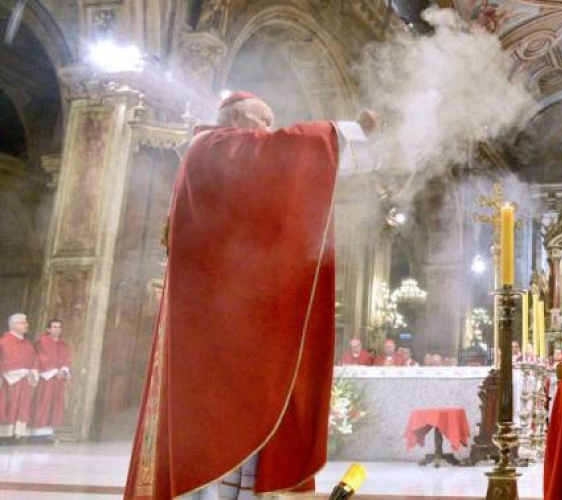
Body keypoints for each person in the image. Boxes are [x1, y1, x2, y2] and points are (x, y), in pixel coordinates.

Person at [125, 92, 377, 499]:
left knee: (242, 408)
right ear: (237, 117)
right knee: (218, 418)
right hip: (214, 319)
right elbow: (277, 155)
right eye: (264, 119)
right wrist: (344, 133)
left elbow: (271, 184)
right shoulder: (213, 146)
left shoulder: (216, 153)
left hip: (225, 309)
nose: (269, 130)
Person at [30, 319, 72, 440]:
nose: (57, 329)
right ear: (48, 329)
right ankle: (37, 434)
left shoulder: (64, 345)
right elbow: (41, 358)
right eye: (54, 327)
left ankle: (48, 432)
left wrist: (64, 370)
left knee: (55, 405)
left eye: (59, 327)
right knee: (43, 402)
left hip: (58, 381)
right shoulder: (41, 342)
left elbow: (67, 359)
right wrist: (54, 371)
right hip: (46, 379)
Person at [0, 313, 38, 440]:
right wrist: (21, 371)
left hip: (25, 381)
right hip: (9, 381)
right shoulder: (4, 342)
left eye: (26, 322)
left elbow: (34, 361)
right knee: (7, 405)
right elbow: (5, 361)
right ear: (14, 325)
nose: (27, 325)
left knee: (23, 407)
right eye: (23, 322)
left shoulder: (28, 344)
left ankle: (17, 434)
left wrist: (32, 371)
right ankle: (4, 435)